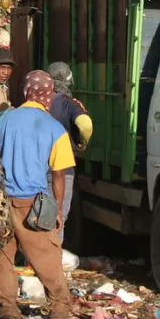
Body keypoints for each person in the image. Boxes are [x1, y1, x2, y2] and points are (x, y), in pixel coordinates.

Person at [0, 70, 77, 319]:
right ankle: (60, 309)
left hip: (1, 200)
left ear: (26, 92)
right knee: (48, 257)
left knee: (4, 256)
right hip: (34, 204)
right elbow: (59, 174)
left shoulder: (4, 119)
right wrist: (59, 210)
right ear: (48, 95)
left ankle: (8, 308)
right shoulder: (55, 127)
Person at [46, 62, 93, 244]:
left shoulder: (39, 101)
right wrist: (82, 143)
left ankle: (32, 261)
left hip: (36, 168)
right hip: (62, 170)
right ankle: (52, 263)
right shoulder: (69, 103)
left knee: (37, 216)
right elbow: (85, 124)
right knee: (58, 218)